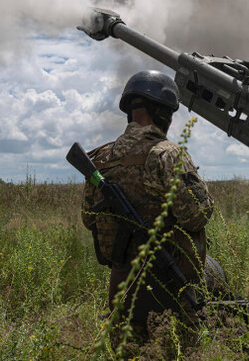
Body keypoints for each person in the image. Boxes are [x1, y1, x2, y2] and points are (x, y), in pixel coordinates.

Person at [81, 70, 214, 336]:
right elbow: (197, 216)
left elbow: (88, 219)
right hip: (167, 286)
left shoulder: (100, 159)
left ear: (130, 112)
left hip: (121, 289)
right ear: (163, 113)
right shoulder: (167, 154)